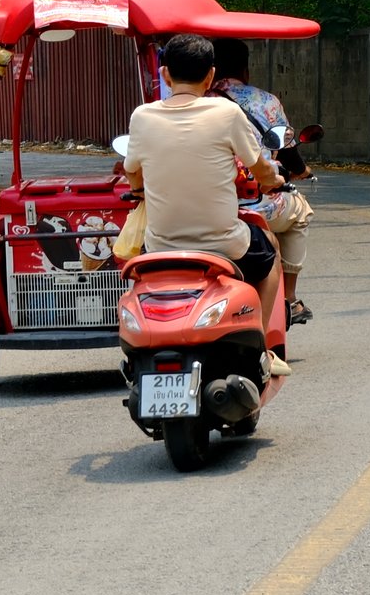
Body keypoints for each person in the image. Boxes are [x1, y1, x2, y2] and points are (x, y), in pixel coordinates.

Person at [122, 32, 291, 376]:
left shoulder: (141, 116)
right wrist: (272, 179)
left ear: (165, 74)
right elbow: (257, 165)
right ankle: (261, 346)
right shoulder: (226, 113)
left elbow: (133, 174)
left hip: (160, 247)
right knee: (270, 252)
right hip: (224, 245)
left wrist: (141, 188)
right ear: (210, 76)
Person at [209, 36, 313, 328]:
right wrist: (300, 172)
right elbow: (286, 153)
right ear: (245, 69)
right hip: (253, 203)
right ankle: (290, 299)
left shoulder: (193, 105)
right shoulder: (264, 101)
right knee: (300, 211)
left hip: (200, 210)